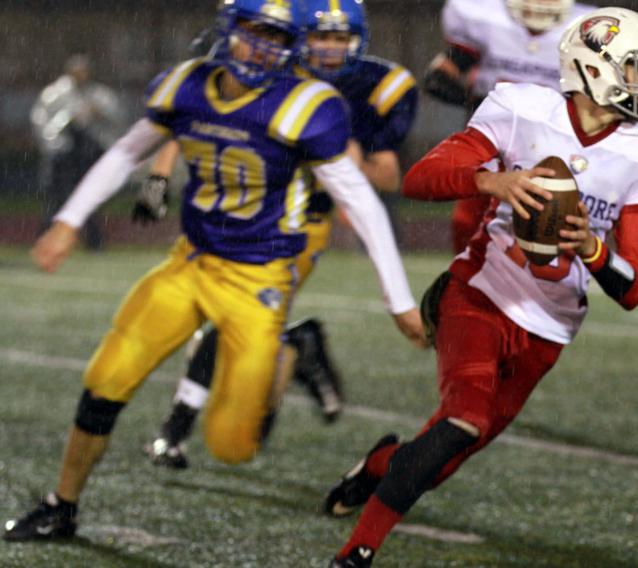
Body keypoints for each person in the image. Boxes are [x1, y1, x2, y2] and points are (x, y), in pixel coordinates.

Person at [3, 0, 424, 542]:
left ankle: (291, 349)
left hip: (259, 276)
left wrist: (399, 301)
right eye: (251, 31)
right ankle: (61, 504)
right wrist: (68, 221)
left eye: (274, 37)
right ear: (227, 30)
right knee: (106, 377)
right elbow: (127, 152)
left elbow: (363, 202)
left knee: (232, 445)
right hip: (191, 262)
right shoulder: (185, 84)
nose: (259, 46)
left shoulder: (305, 105)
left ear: (289, 47)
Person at [323, 7, 638, 567]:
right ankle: (356, 552)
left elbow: (632, 287)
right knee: (463, 418)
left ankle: (375, 468)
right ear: (594, 67)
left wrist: (590, 247)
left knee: (442, 456)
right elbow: (419, 179)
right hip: (481, 292)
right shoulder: (522, 107)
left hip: (550, 327)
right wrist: (494, 178)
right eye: (637, 68)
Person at [142, 0, 420, 469]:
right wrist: (160, 174)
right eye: (320, 37)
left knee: (223, 319)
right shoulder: (265, 63)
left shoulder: (373, 87)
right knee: (219, 321)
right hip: (235, 210)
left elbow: (390, 176)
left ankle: (176, 429)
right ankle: (297, 347)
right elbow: (190, 111)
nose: (330, 50)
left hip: (299, 223)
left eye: (339, 38)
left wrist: (348, 156)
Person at [423, 0, 593, 254]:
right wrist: (480, 106)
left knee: (551, 222)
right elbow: (439, 78)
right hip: (494, 144)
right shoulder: (485, 19)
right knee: (468, 221)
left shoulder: (583, 30)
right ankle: (467, 276)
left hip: (553, 146)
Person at [31, 54, 126, 251]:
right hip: (62, 155)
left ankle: (94, 240)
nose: (81, 75)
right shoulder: (55, 94)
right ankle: (46, 239)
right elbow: (41, 122)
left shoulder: (98, 94)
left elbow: (118, 119)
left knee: (86, 196)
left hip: (87, 154)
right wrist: (56, 140)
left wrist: (98, 113)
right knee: (57, 198)